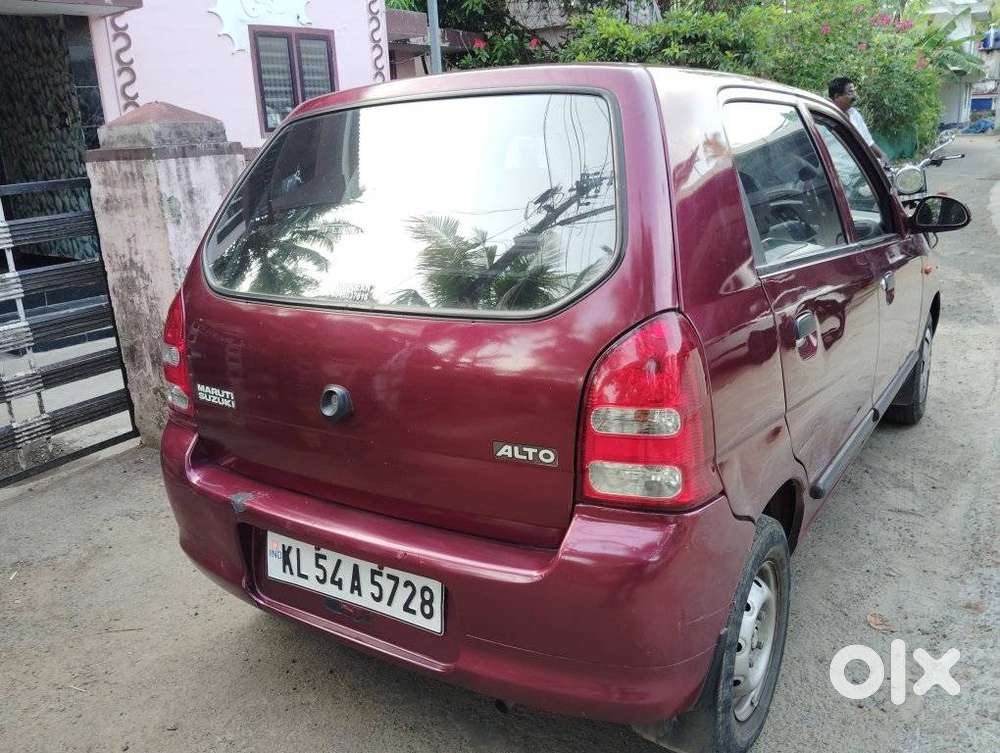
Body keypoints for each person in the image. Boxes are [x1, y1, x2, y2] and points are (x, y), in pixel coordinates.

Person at [828, 77, 888, 164]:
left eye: (854, 92)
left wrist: (882, 155)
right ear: (837, 96)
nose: (854, 96)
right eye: (850, 92)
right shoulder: (826, 118)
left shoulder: (854, 114)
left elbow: (868, 142)